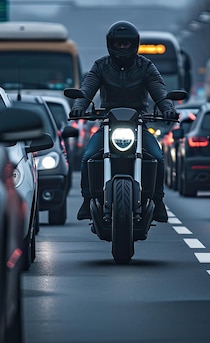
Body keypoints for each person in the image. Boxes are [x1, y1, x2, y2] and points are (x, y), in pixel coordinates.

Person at [69, 20, 178, 223]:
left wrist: (168, 109)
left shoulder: (145, 66)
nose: (122, 48)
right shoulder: (100, 66)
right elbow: (87, 88)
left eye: (126, 44)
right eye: (118, 44)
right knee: (88, 157)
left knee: (157, 157)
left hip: (138, 123)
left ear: (134, 44)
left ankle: (158, 200)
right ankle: (87, 200)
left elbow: (159, 90)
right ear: (110, 44)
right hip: (109, 123)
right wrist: (78, 107)